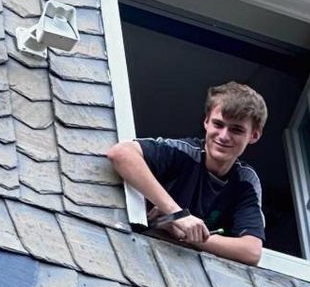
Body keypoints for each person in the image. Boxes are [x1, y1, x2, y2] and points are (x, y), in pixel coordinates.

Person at [106, 81, 266, 265]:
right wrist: (178, 215)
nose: (223, 136)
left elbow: (252, 251)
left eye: (236, 129)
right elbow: (121, 153)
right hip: (136, 252)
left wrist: (187, 234)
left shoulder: (245, 179)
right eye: (218, 124)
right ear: (206, 122)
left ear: (254, 135)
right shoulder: (185, 152)